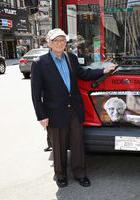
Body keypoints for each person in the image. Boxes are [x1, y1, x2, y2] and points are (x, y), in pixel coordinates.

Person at [31, 28, 116, 188]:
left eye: (62, 40)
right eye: (56, 40)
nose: (59, 43)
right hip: (54, 111)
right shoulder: (40, 63)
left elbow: (83, 74)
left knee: (77, 143)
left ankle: (80, 173)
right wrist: (41, 116)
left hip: (75, 109)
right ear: (49, 43)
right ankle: (61, 175)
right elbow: (36, 94)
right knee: (59, 146)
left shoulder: (71, 58)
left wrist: (103, 70)